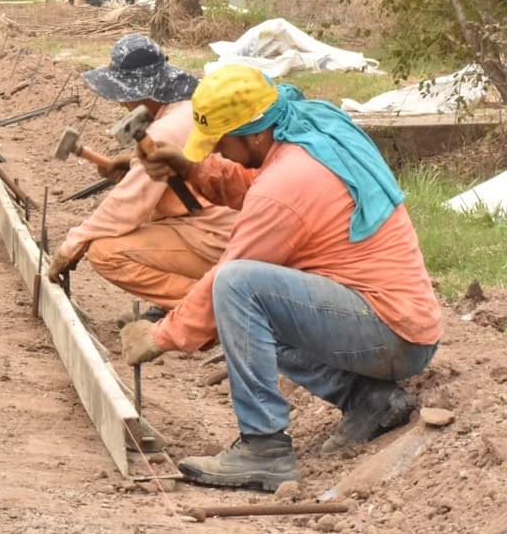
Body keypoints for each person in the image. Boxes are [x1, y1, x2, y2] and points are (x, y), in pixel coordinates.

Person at [123, 64, 441, 491]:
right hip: (398, 320)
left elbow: (233, 268)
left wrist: (162, 335)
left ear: (253, 134)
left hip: (391, 334)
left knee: (239, 286)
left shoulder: (286, 185)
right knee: (256, 301)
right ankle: (370, 400)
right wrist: (193, 170)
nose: (218, 153)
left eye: (221, 143)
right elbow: (261, 186)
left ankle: (264, 448)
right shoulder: (307, 130)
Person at [47, 35, 237, 321]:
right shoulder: (183, 110)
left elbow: (126, 208)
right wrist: (134, 164)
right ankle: (185, 301)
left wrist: (72, 245)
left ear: (139, 91)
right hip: (223, 228)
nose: (123, 103)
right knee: (148, 217)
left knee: (105, 252)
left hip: (216, 238)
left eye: (124, 94)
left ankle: (211, 310)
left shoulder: (167, 129)